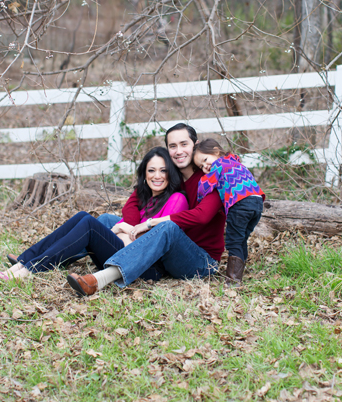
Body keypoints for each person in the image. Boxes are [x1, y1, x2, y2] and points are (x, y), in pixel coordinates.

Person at [66, 123, 225, 296]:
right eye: (173, 146)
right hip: (168, 254)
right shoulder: (171, 175)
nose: (179, 151)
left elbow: (202, 216)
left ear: (195, 145)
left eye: (184, 144)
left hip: (200, 261)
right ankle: (55, 258)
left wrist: (149, 224)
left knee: (168, 227)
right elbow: (134, 200)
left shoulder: (212, 177)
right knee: (105, 220)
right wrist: (132, 229)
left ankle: (100, 279)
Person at [0, 147, 187, 282]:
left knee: (89, 225)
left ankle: (28, 269)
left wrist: (124, 228)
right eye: (151, 170)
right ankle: (25, 261)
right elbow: (132, 230)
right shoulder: (147, 197)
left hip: (144, 268)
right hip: (127, 255)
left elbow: (154, 242)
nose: (157, 176)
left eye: (163, 170)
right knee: (82, 216)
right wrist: (125, 229)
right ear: (144, 174)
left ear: (170, 173)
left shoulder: (176, 199)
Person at [192, 138, 265, 284]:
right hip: (257, 203)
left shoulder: (219, 164)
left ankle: (233, 281)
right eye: (201, 166)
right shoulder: (234, 162)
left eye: (205, 160)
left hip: (240, 203)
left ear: (216, 151)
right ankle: (238, 273)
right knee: (241, 238)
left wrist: (200, 187)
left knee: (233, 242)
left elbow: (205, 187)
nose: (205, 166)